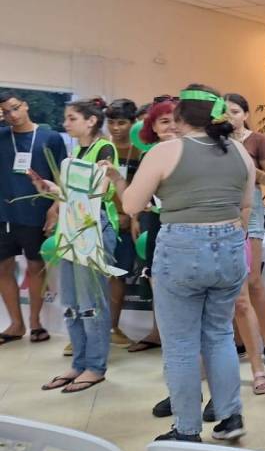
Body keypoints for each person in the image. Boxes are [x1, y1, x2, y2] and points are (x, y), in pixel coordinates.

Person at [115, 85, 255, 443]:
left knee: (180, 343)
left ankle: (187, 429)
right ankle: (230, 416)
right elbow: (245, 204)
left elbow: (131, 205)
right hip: (230, 245)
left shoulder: (166, 151)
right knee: (220, 335)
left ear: (179, 117)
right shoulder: (239, 151)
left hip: (182, 247)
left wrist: (117, 180)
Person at [38, 98, 118, 394]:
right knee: (71, 301)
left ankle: (95, 366)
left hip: (93, 227)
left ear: (91, 121)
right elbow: (71, 194)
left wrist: (66, 193)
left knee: (92, 303)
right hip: (72, 227)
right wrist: (52, 189)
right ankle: (79, 362)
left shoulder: (104, 149)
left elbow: (99, 192)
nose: (66, 124)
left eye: (72, 118)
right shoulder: (75, 152)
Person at [0, 89, 65, 345]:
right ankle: (16, 324)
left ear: (26, 105)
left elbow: (62, 177)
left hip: (36, 211)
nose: (12, 115)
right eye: (6, 112)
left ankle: (36, 322)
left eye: (15, 108)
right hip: (4, 213)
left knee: (36, 266)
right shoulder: (2, 136)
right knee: (3, 268)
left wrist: (55, 207)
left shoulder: (50, 137)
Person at [225, 94, 265, 376]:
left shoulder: (258, 141)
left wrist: (248, 167)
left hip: (253, 207)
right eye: (224, 111)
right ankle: (239, 341)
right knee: (231, 283)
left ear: (246, 114)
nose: (230, 116)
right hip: (223, 209)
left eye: (235, 111)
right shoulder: (216, 142)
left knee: (253, 280)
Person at [126, 99, 177, 354]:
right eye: (164, 121)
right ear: (153, 127)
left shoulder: (191, 152)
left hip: (184, 223)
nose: (171, 126)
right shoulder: (149, 154)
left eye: (175, 120)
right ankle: (158, 332)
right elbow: (139, 195)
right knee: (156, 278)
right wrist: (136, 216)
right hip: (156, 222)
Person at [104, 98, 141, 347]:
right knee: (96, 276)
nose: (116, 128)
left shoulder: (141, 151)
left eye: (121, 123)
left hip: (129, 223)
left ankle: (112, 326)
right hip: (100, 220)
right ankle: (89, 329)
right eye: (111, 122)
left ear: (133, 122)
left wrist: (132, 215)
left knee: (118, 275)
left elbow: (144, 189)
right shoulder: (102, 148)